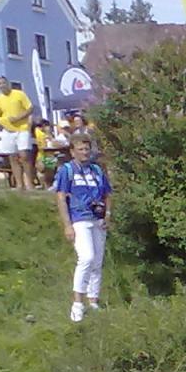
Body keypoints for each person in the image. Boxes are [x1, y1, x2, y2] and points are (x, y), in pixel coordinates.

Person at [54, 134, 112, 322]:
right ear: (72, 151)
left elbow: (107, 194)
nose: (85, 152)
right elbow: (61, 197)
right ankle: (77, 303)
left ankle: (93, 300)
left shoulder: (96, 169)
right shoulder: (67, 170)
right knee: (86, 257)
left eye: (87, 149)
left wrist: (108, 215)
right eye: (80, 149)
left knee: (97, 261)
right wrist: (67, 225)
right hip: (79, 218)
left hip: (98, 218)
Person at [0, 77, 35, 191]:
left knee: (24, 155)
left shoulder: (19, 94)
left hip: (22, 128)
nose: (2, 85)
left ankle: (30, 183)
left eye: (3, 83)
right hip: (8, 131)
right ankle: (19, 184)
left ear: (8, 83)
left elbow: (30, 108)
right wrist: (1, 124)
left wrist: (19, 117)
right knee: (13, 157)